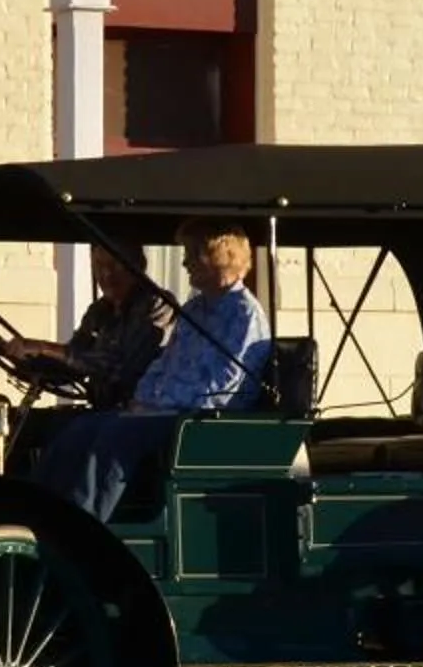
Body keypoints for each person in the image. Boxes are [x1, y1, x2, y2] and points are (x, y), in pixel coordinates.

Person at [35, 220, 274, 521]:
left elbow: (223, 384)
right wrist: (143, 398)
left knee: (117, 434)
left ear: (220, 256)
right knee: (80, 428)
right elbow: (164, 362)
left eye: (192, 253)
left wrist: (158, 405)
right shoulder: (196, 309)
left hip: (206, 422)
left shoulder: (245, 313)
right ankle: (42, 515)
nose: (185, 262)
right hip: (167, 410)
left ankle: (84, 527)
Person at [2, 245, 175, 410]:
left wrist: (44, 347)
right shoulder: (99, 311)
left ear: (138, 265)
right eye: (99, 266)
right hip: (103, 410)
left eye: (114, 265)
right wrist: (21, 356)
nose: (106, 274)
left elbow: (119, 364)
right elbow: (72, 363)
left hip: (143, 413)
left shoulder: (157, 304)